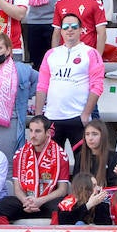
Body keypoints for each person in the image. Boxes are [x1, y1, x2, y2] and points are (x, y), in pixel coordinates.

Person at [35, 12, 104, 148]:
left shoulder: (91, 53)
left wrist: (86, 114)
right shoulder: (51, 54)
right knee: (51, 164)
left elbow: (97, 86)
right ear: (61, 31)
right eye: (65, 27)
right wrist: (39, 117)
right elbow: (42, 86)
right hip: (52, 118)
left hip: (78, 117)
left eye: (73, 26)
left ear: (80, 29)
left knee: (83, 163)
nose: (69, 29)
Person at [0, 115, 71, 225]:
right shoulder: (20, 154)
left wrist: (40, 201)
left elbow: (62, 190)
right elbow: (17, 188)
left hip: (47, 203)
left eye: (38, 131)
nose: (33, 135)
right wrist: (26, 201)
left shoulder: (60, 155)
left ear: (48, 133)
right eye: (31, 131)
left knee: (65, 207)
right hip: (25, 203)